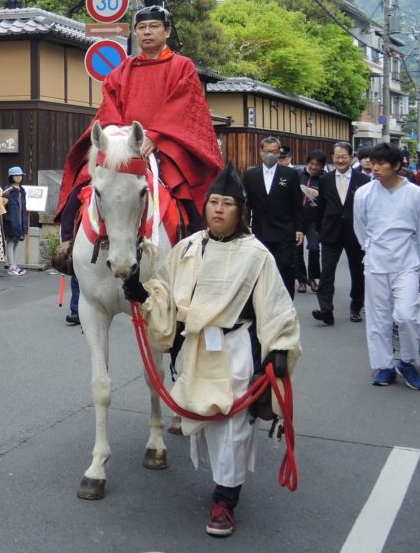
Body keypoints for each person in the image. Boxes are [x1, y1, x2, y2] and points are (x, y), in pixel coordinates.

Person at [126, 161, 301, 538]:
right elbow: (165, 293)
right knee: (207, 423)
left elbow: (276, 305)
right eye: (214, 202)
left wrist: (280, 350)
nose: (219, 209)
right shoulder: (188, 248)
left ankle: (225, 499)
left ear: (241, 211)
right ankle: (225, 483)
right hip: (195, 348)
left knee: (233, 423)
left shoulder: (257, 255)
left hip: (235, 348)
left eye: (228, 204)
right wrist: (142, 295)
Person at [53, 0, 223, 271]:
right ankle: (69, 247)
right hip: (123, 145)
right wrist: (119, 138)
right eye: (142, 28)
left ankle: (198, 252)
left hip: (166, 145)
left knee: (188, 195)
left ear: (167, 31)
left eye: (154, 26)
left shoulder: (183, 67)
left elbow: (184, 105)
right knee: (82, 184)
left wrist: (155, 136)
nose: (147, 32)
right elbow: (109, 104)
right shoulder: (123, 69)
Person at [353, 142, 420, 390]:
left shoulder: (415, 194)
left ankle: (408, 361)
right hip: (376, 261)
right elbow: (361, 228)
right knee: (378, 318)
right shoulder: (364, 193)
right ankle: (384, 365)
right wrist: (371, 249)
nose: (374, 167)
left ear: (397, 165)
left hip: (406, 262)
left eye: (380, 164)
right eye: (372, 163)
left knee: (407, 314)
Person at [312, 142, 370, 325]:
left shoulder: (363, 180)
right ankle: (326, 309)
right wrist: (318, 230)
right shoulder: (325, 179)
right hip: (330, 232)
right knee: (327, 272)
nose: (340, 160)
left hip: (355, 233)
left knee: (357, 272)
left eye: (344, 156)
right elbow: (320, 207)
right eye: (336, 156)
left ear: (352, 158)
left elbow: (366, 209)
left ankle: (356, 307)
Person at [243, 137, 304, 297]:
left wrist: (299, 228)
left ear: (279, 153)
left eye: (274, 152)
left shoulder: (290, 174)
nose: (271, 154)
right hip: (260, 229)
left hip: (285, 229)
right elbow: (246, 203)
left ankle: (287, 302)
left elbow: (297, 203)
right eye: (267, 151)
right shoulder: (251, 175)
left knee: (285, 267)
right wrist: (245, 226)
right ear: (261, 153)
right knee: (260, 269)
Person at [294, 149, 325, 294]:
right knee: (297, 250)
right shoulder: (298, 174)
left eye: (317, 165)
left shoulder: (325, 178)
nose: (313, 167)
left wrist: (318, 194)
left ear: (322, 166)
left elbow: (328, 199)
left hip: (314, 219)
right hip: (297, 218)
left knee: (314, 248)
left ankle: (312, 278)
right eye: (311, 164)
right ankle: (301, 280)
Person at [1, 166, 29, 276]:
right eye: (16, 175)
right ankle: (11, 266)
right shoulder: (8, 190)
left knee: (16, 241)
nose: (19, 177)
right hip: (10, 220)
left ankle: (14, 264)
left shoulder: (22, 190)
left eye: (20, 175)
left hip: (20, 220)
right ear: (11, 177)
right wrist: (7, 219)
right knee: (11, 241)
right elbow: (3, 206)